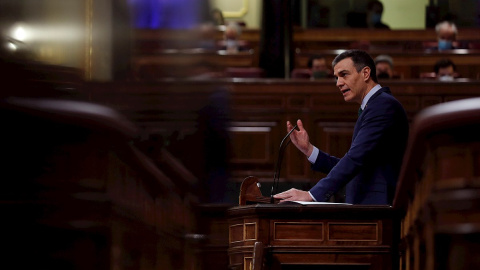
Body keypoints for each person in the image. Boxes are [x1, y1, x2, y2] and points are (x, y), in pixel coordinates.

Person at [274, 50, 409, 205]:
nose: (338, 83)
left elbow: (355, 160)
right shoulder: (375, 106)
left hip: (377, 207)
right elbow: (356, 163)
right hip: (368, 206)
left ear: (365, 73)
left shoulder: (383, 106)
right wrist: (309, 150)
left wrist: (312, 195)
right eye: (336, 77)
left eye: (344, 75)